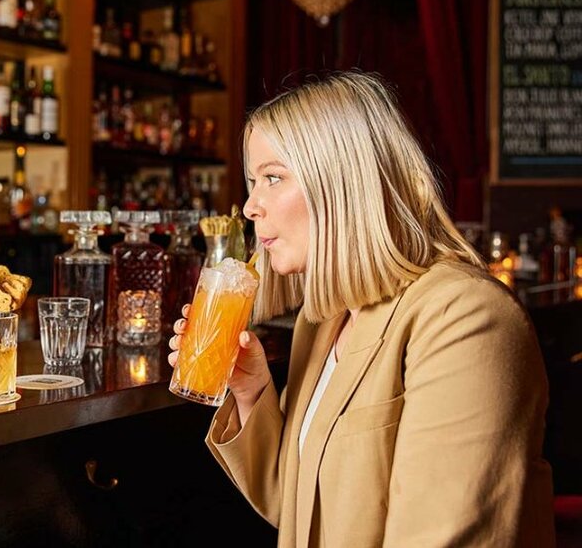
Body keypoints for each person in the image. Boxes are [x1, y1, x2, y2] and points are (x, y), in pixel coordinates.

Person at [168, 72, 554, 547]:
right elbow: (299, 508)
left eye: (272, 178)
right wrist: (251, 393)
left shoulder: (467, 319)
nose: (250, 206)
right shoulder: (324, 318)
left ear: (342, 182)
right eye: (253, 181)